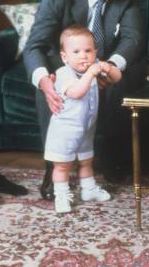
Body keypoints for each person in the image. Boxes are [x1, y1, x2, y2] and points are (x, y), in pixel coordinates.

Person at [23, 0, 146, 200]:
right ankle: (53, 167)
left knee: (124, 76)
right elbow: (34, 46)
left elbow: (132, 38)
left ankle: (112, 161)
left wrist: (108, 66)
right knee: (51, 82)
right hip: (65, 64)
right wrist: (45, 82)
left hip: (105, 61)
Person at [45, 25, 122, 213]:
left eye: (88, 51)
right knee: (62, 165)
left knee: (87, 160)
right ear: (65, 57)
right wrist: (90, 74)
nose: (83, 56)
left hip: (86, 126)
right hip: (64, 130)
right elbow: (77, 92)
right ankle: (61, 196)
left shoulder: (93, 69)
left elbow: (117, 78)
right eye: (76, 52)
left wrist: (108, 68)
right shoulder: (64, 74)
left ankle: (88, 189)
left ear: (95, 53)